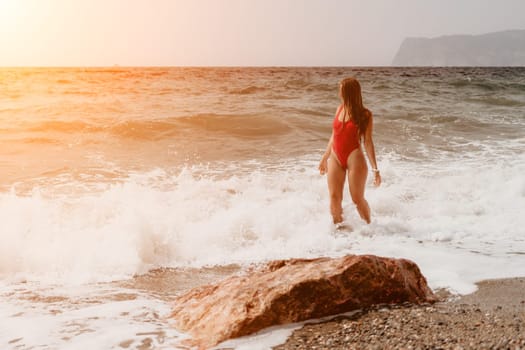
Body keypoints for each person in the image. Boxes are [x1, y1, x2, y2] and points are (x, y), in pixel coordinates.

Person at [318, 77, 381, 225]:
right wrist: (324, 157)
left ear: (349, 93)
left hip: (354, 157)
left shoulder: (365, 114)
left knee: (357, 199)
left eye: (341, 91)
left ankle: (369, 226)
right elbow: (334, 135)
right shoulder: (339, 109)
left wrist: (375, 169)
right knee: (334, 196)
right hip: (335, 156)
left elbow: (368, 142)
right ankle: (339, 230)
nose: (339, 94)